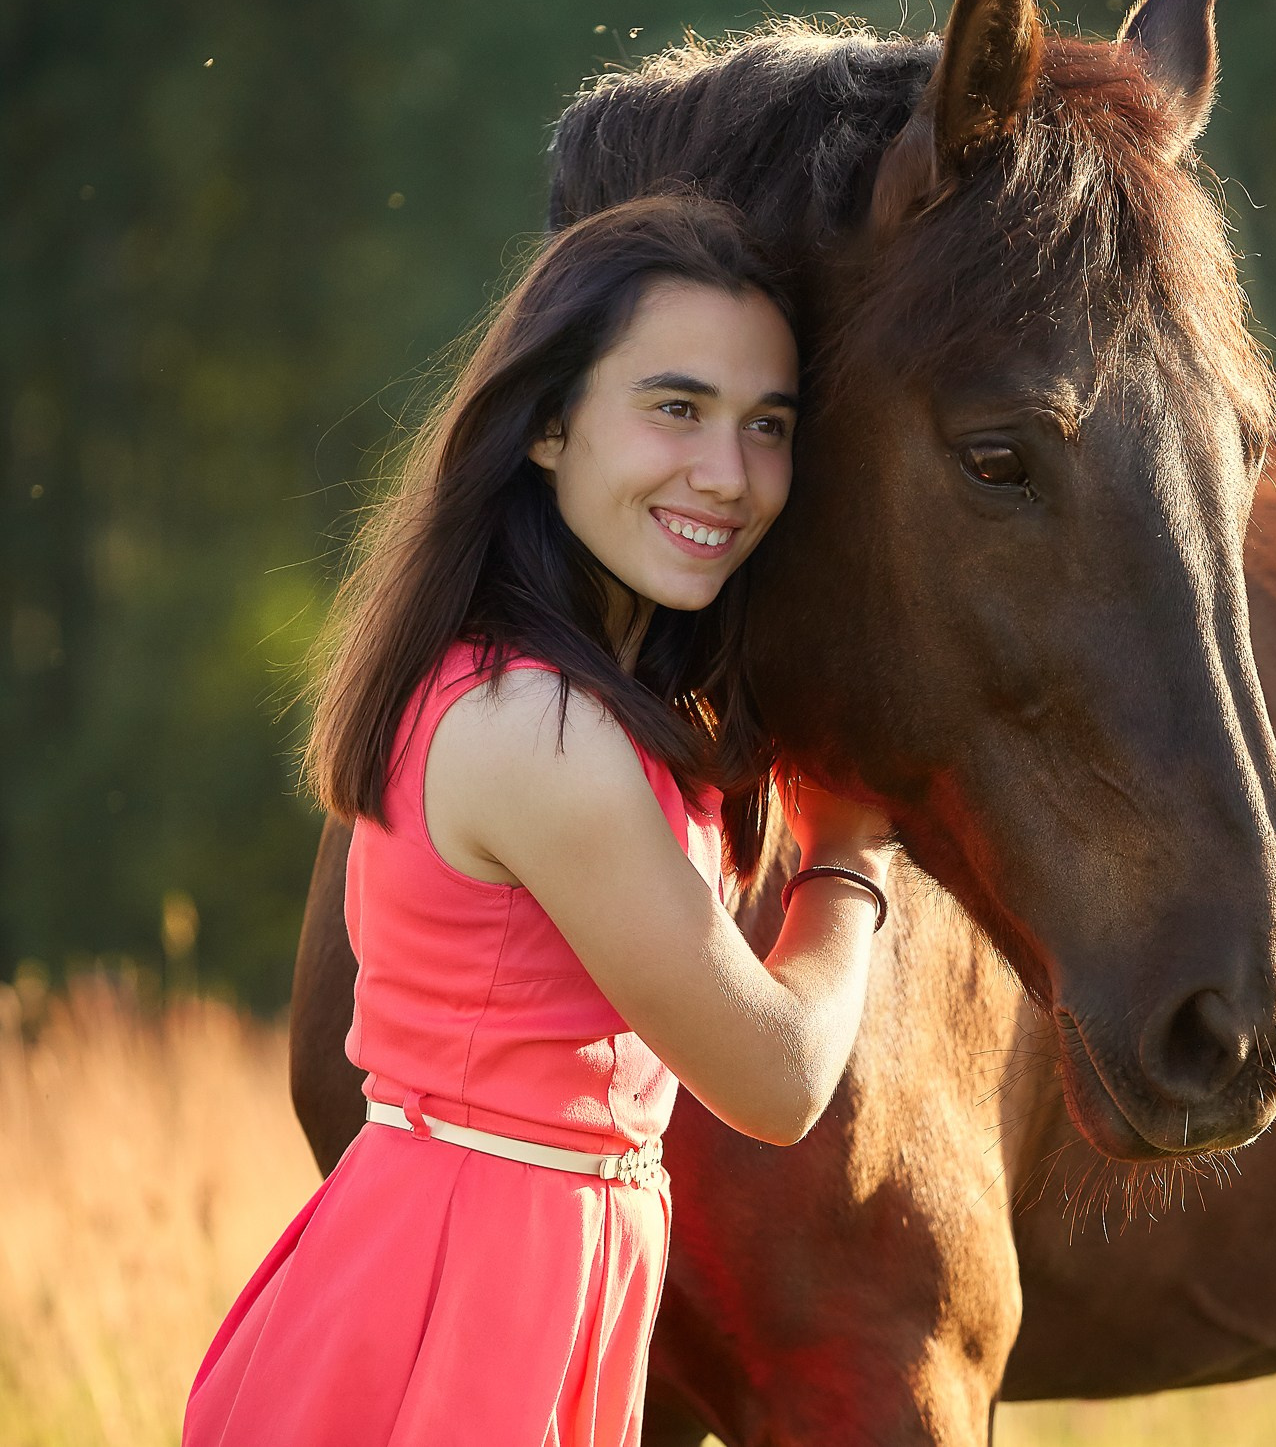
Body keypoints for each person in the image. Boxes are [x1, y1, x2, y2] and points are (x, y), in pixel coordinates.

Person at [184, 192, 887, 1446]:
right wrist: (851, 858)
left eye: (766, 425)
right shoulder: (534, 729)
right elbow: (778, 1079)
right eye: (675, 407)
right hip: (458, 1284)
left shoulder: (585, 702)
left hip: (528, 1262)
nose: (726, 475)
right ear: (550, 424)